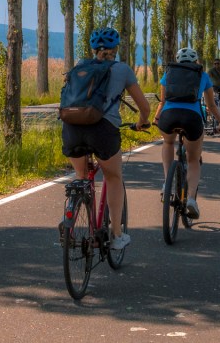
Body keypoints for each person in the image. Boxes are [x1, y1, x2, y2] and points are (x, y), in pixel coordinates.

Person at [61, 27, 152, 250]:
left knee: (81, 176)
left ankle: (70, 218)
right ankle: (117, 235)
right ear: (116, 49)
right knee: (113, 177)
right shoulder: (122, 69)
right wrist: (142, 121)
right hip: (103, 130)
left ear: (94, 49)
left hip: (72, 128)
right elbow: (145, 107)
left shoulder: (80, 67)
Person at [154, 47, 220, 219]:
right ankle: (191, 201)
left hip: (169, 116)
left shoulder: (169, 74)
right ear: (196, 61)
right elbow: (210, 106)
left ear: (178, 61)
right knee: (193, 159)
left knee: (168, 142)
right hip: (191, 119)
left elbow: (162, 101)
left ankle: (167, 183)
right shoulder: (203, 75)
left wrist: (156, 118)